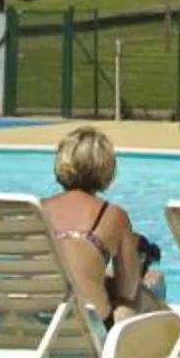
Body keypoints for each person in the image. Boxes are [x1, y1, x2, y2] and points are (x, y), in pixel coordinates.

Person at [43, 125, 165, 323]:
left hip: (37, 320)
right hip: (88, 327)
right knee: (141, 298)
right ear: (106, 168)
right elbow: (127, 291)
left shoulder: (36, 210)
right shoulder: (113, 215)